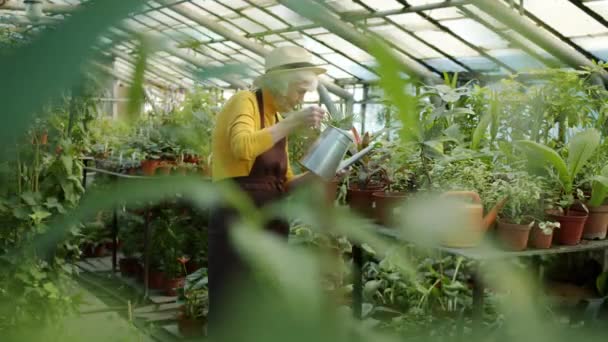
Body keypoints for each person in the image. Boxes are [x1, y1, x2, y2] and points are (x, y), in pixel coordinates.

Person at [207, 46, 329, 334]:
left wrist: (320, 172)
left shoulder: (275, 121)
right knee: (233, 299)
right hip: (238, 220)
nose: (302, 100)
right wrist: (292, 123)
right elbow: (241, 146)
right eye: (299, 91)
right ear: (278, 83)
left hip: (270, 223)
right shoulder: (244, 101)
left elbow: (284, 184)